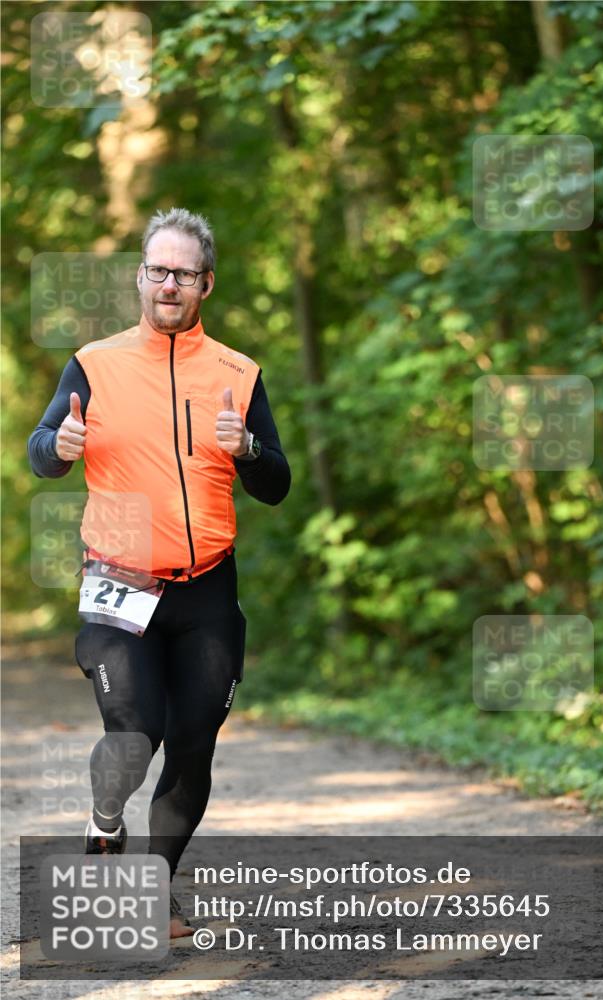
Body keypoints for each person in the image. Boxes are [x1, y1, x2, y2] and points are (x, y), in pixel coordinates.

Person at [27, 207, 291, 938]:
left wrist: (248, 452)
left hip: (207, 588)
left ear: (206, 284)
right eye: (156, 270)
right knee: (132, 732)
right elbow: (40, 447)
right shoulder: (94, 362)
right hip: (119, 580)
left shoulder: (238, 373)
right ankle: (105, 819)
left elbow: (276, 483)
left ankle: (151, 889)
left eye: (182, 273)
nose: (167, 284)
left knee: (193, 742)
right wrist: (60, 442)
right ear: (141, 277)